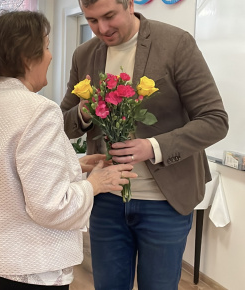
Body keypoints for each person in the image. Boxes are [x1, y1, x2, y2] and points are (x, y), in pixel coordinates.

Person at [0, 10, 137, 290]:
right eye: (47, 46)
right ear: (28, 58)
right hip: (21, 265)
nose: (50, 56)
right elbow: (52, 207)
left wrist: (74, 163)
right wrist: (95, 184)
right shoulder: (40, 109)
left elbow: (2, 166)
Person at [60, 0, 229, 289]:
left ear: (128, 4)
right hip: (106, 199)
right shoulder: (84, 54)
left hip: (165, 202)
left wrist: (153, 146)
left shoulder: (176, 43)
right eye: (91, 21)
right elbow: (62, 124)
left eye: (109, 16)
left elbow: (215, 120)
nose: (102, 29)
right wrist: (85, 112)